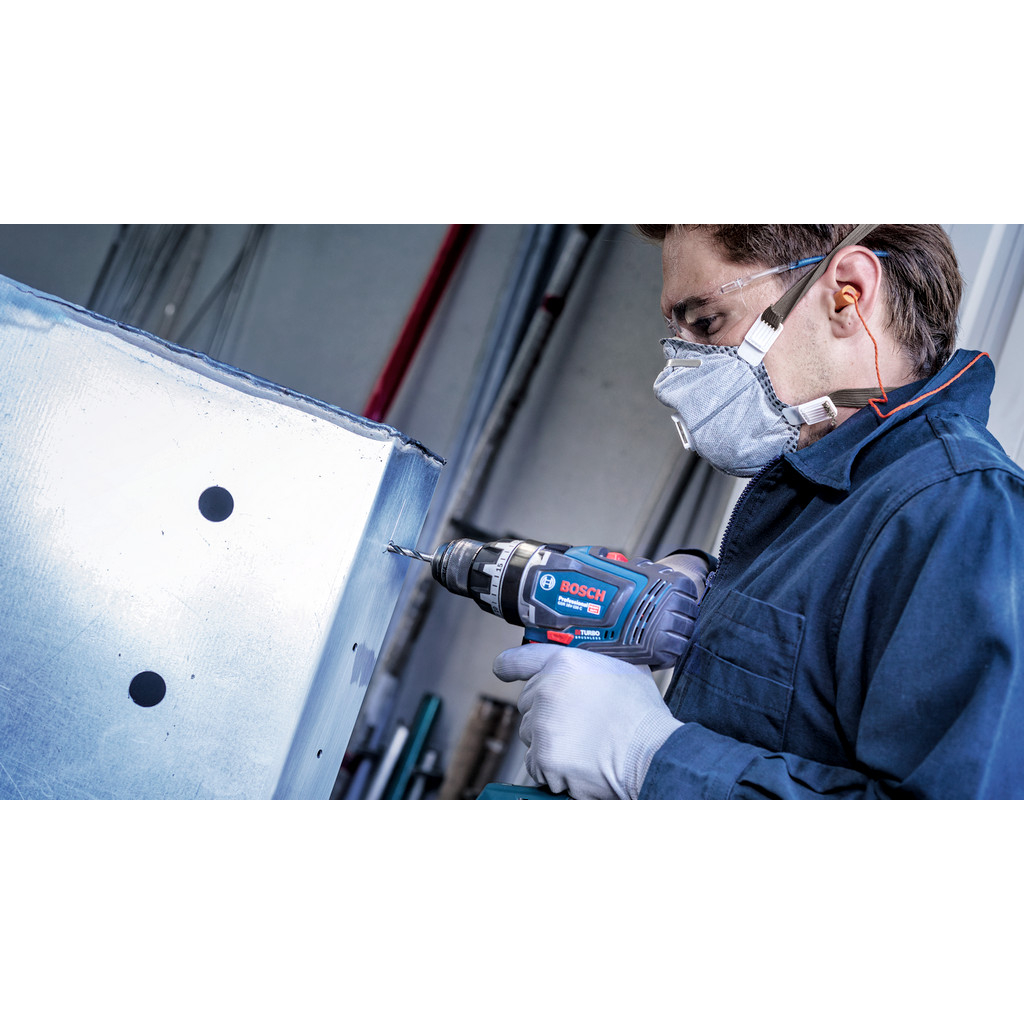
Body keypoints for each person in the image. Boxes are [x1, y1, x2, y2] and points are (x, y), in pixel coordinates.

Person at [492, 224, 1024, 799]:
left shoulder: (961, 512)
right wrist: (708, 597)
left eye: (706, 323)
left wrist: (646, 755)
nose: (673, 381)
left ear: (847, 294)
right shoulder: (816, 490)